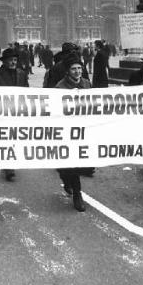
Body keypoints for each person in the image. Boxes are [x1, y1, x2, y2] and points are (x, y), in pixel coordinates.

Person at [55, 54, 92, 212]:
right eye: (73, 69)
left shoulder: (87, 84)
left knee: (77, 163)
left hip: (83, 128)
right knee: (68, 163)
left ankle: (73, 187)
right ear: (68, 71)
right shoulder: (60, 87)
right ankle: (77, 193)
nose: (77, 72)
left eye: (79, 68)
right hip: (67, 130)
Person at [0, 47, 29, 181]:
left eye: (15, 60)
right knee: (4, 139)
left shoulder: (22, 74)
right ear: (4, 61)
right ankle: (8, 166)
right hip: (0, 113)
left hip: (17, 112)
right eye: (10, 60)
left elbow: (27, 92)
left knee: (14, 139)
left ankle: (10, 161)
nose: (13, 62)